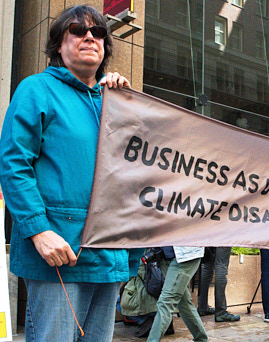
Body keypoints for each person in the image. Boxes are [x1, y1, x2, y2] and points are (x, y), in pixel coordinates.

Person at [0, 5, 144, 341]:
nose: (90, 37)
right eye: (78, 30)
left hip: (107, 255)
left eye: (98, 33)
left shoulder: (115, 100)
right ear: (58, 45)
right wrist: (38, 231)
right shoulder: (37, 89)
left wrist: (124, 104)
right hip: (59, 255)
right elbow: (13, 164)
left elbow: (135, 171)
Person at [147, 247, 208, 342]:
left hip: (185, 254)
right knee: (183, 303)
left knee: (166, 302)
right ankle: (202, 339)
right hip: (165, 256)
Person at [197, 247, 240, 322]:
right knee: (221, 265)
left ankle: (202, 307)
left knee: (208, 266)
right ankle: (221, 312)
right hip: (223, 237)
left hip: (209, 236)